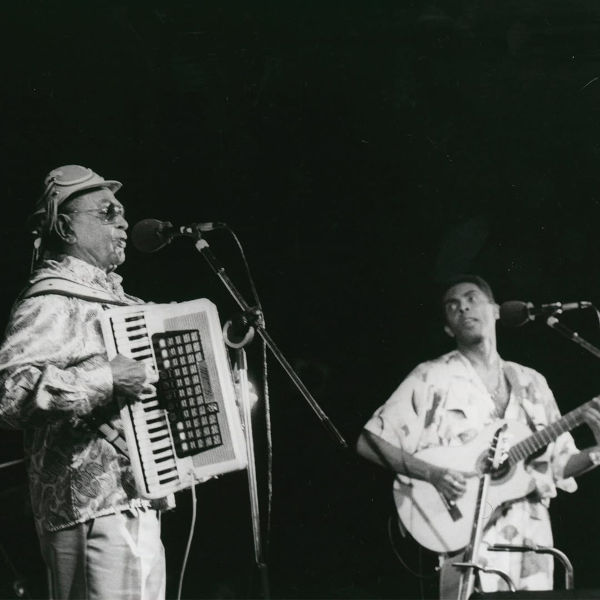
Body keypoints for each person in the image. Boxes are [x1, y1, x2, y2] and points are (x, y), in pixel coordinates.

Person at [356, 275, 600, 598]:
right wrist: (432, 473)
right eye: (452, 306)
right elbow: (369, 441)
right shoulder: (431, 377)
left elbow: (559, 466)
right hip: (466, 550)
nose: (463, 307)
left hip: (533, 551)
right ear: (447, 328)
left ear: (497, 311)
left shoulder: (533, 383)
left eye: (471, 298)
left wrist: (598, 450)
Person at [0, 165, 168, 600]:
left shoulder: (118, 298)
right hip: (88, 509)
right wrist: (106, 377)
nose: (123, 222)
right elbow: (9, 394)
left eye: (122, 213)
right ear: (64, 227)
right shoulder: (51, 299)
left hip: (138, 496)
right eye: (107, 212)